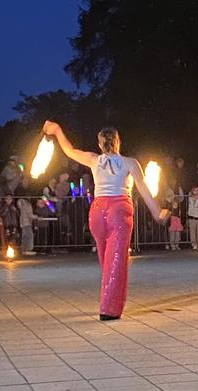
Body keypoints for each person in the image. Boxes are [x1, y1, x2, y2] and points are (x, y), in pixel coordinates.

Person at [42, 121, 165, 321]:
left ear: (100, 144)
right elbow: (143, 189)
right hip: (119, 211)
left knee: (106, 260)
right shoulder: (130, 162)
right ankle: (109, 309)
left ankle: (109, 301)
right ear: (118, 141)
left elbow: (69, 150)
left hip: (97, 212)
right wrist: (157, 212)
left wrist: (56, 130)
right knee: (116, 261)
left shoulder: (93, 159)